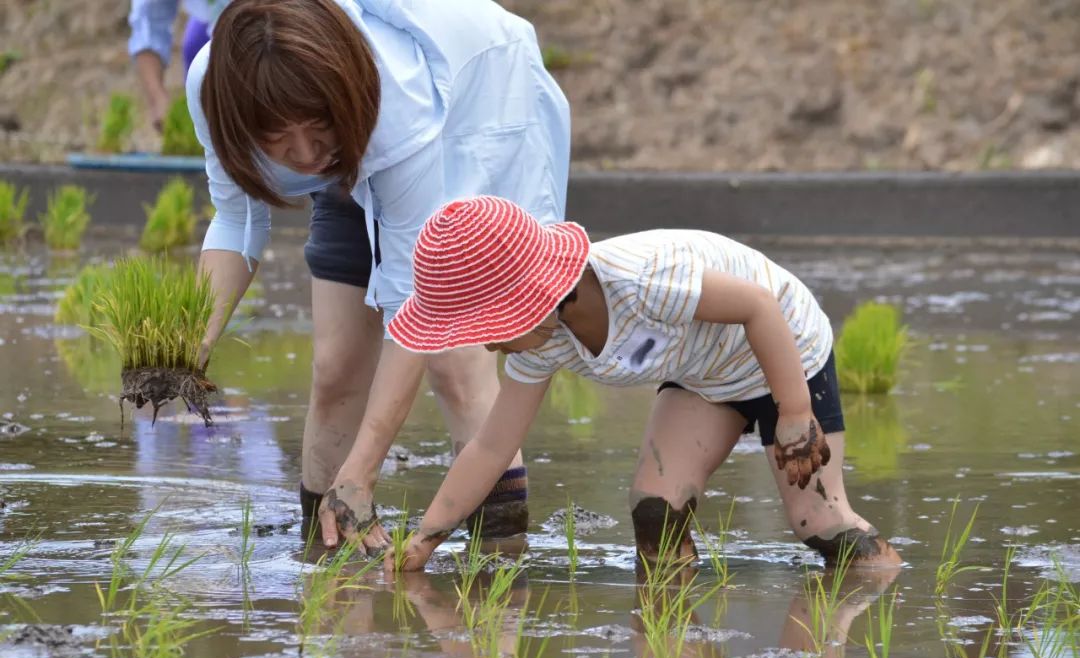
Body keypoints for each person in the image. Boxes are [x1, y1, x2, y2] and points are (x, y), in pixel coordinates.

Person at [186, 0, 570, 547]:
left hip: (477, 108)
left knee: (455, 364)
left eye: (315, 131)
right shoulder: (219, 87)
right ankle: (326, 556)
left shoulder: (397, 105)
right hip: (355, 125)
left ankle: (498, 575)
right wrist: (190, 345)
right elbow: (237, 217)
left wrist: (364, 468)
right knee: (337, 365)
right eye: (278, 141)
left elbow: (415, 304)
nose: (302, 155)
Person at [384, 196, 904, 572]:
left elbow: (758, 307)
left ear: (534, 299)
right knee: (656, 512)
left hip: (782, 353)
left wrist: (793, 411)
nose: (488, 346)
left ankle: (884, 595)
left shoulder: (644, 280)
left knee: (819, 522)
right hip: (704, 376)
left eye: (489, 328)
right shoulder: (543, 342)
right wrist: (427, 538)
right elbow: (492, 446)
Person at [128, 0, 228, 131]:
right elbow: (148, 21)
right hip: (210, 16)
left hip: (255, 15)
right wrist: (158, 98)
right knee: (195, 50)